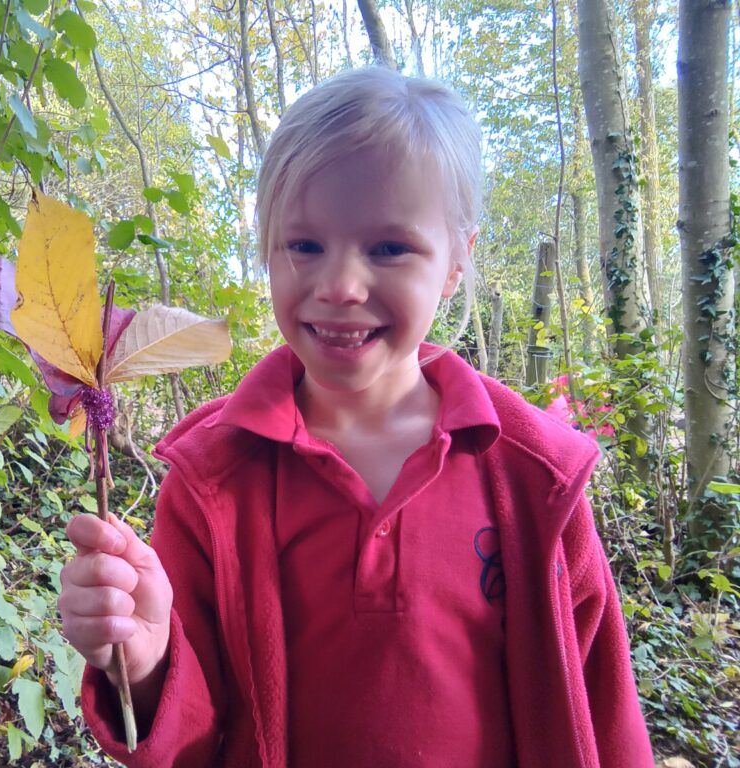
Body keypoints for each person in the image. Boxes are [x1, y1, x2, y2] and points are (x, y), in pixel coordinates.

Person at [58, 67, 653, 767]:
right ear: (267, 251)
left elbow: (603, 716)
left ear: (457, 261)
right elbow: (193, 735)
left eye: (389, 248)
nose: (340, 285)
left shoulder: (534, 476)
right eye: (304, 245)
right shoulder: (214, 479)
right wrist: (147, 655)